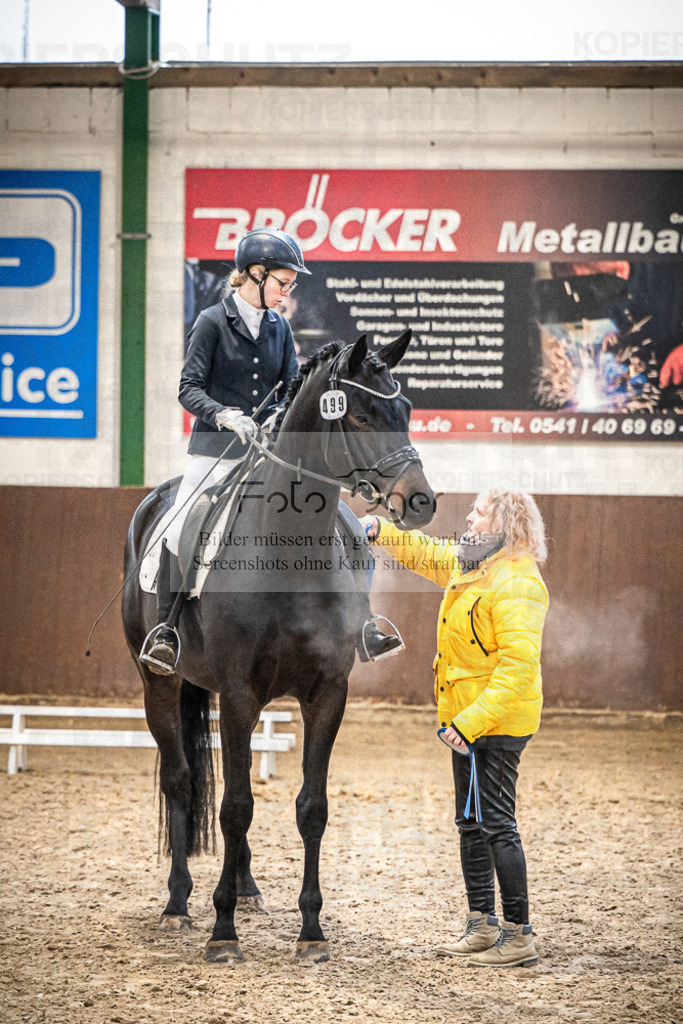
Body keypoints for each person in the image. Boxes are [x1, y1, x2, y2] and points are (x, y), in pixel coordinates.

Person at [141, 227, 402, 674]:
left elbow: (291, 389)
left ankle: (363, 623)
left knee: (348, 527)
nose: (287, 292)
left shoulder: (280, 327)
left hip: (268, 454)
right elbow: (188, 388)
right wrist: (226, 415)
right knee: (182, 523)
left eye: (291, 285)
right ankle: (167, 628)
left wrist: (275, 419)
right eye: (283, 282)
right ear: (254, 275)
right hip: (216, 452)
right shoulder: (210, 322)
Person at [360, 488, 549, 968]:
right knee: (471, 823)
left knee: (498, 824)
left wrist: (468, 723)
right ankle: (482, 923)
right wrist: (382, 530)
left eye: (479, 512)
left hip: (497, 723)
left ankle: (519, 933)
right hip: (463, 719)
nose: (469, 516)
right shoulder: (473, 565)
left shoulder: (518, 583)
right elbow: (428, 552)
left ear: (503, 525)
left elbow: (516, 672)